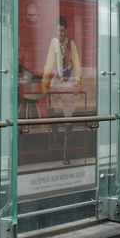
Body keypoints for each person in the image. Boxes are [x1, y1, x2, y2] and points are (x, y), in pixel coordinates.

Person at [42, 16, 82, 165]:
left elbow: (77, 65)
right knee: (49, 106)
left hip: (69, 81)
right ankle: (57, 140)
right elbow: (48, 64)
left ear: (66, 31)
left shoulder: (71, 44)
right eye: (58, 30)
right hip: (57, 80)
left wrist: (78, 85)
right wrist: (44, 86)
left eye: (62, 30)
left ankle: (66, 154)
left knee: (69, 116)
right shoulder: (53, 43)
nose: (60, 33)